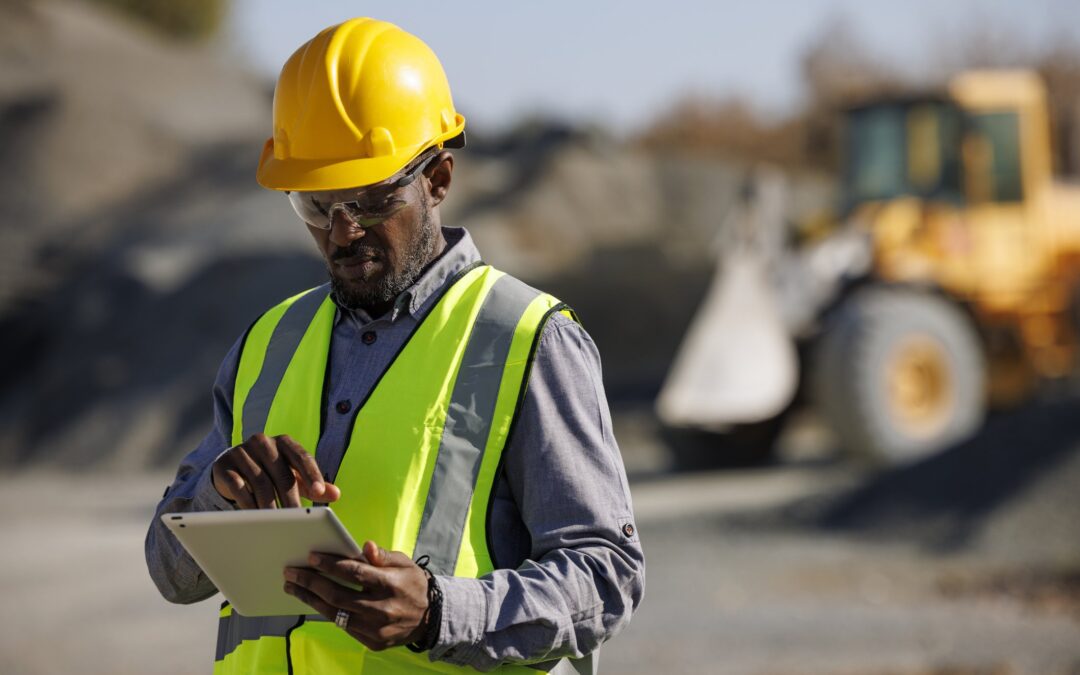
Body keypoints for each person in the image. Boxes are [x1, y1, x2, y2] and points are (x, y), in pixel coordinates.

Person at [145, 16, 644, 675]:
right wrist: (215, 495)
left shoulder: (529, 340)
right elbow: (171, 573)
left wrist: (440, 612)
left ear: (438, 178)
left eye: (371, 200)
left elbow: (607, 575)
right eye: (316, 206)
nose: (343, 232)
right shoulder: (268, 344)